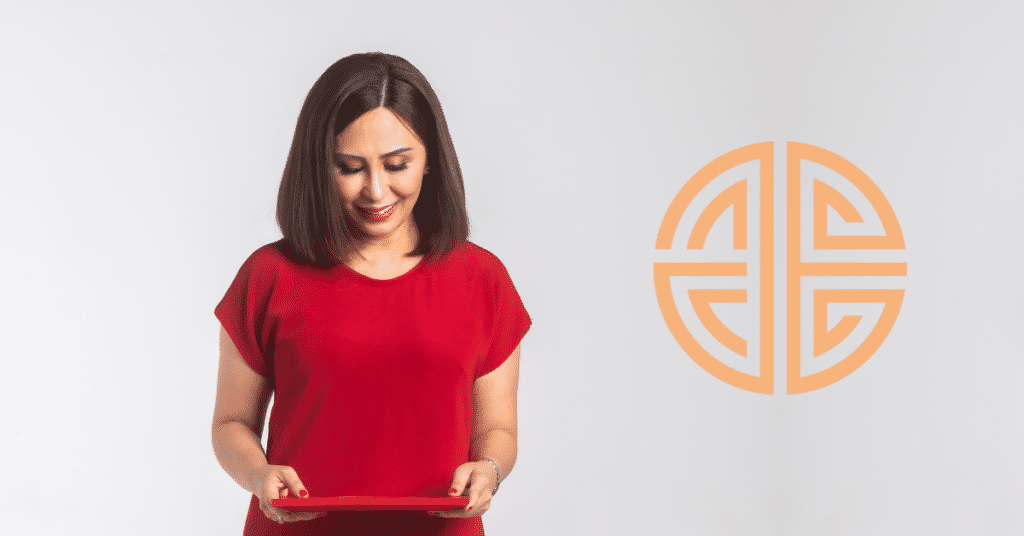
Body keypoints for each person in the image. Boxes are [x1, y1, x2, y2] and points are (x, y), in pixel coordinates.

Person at [211, 52, 531, 536]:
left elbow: (498, 430)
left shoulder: (482, 278)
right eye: (349, 167)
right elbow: (231, 422)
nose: (376, 191)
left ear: (430, 162)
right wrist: (259, 474)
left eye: (398, 164)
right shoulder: (269, 275)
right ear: (318, 166)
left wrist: (489, 469)